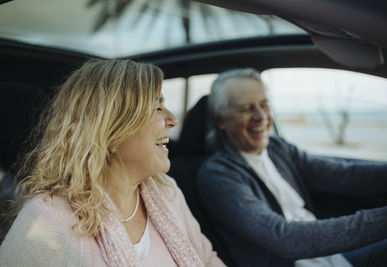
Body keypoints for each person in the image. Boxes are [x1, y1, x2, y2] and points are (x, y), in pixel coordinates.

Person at [0, 59, 225, 266]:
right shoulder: (49, 217)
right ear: (112, 128)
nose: (173, 119)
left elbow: (206, 260)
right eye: (157, 107)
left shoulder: (167, 191)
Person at [197, 68, 387, 267]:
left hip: (330, 255)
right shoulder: (217, 175)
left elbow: (341, 174)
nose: (261, 116)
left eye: (264, 104)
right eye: (245, 108)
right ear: (220, 120)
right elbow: (284, 238)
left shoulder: (277, 147)